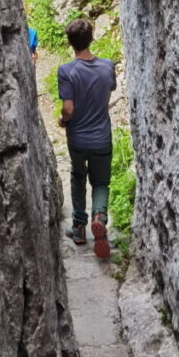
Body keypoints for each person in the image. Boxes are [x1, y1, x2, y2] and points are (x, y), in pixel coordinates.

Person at [57, 18, 116, 259]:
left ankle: (79, 228)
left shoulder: (66, 71)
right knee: (101, 182)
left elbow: (68, 109)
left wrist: (63, 121)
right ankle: (99, 217)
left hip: (78, 139)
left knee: (78, 176)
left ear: (70, 43)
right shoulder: (107, 66)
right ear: (92, 38)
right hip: (101, 138)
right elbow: (108, 89)